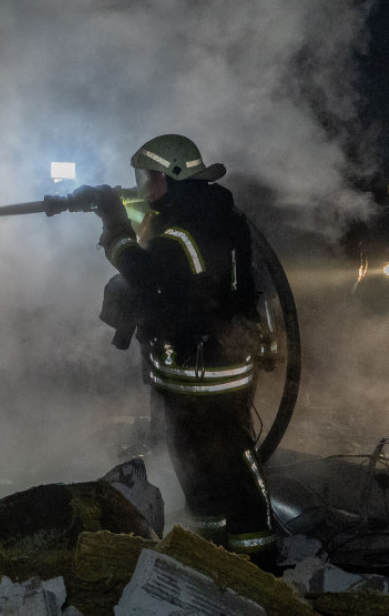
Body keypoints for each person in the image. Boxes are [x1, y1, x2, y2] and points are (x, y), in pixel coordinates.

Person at [67, 134, 278, 569]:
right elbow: (166, 242)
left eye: (148, 178)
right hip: (192, 369)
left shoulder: (187, 229)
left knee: (229, 469)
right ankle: (212, 553)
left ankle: (257, 562)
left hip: (207, 373)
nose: (143, 186)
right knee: (198, 469)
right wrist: (108, 200)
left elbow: (141, 271)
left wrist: (113, 224)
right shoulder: (201, 211)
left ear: (172, 177)